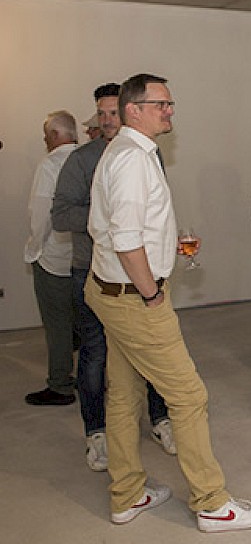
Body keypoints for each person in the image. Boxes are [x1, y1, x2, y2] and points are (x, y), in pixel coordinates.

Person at [85, 73, 251, 532]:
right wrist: (152, 293)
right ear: (135, 109)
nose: (170, 111)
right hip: (133, 297)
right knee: (189, 396)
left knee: (125, 394)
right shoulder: (132, 160)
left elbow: (131, 231)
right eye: (162, 104)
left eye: (170, 103)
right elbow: (128, 243)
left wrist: (166, 245)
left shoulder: (129, 152)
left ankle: (127, 494)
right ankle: (212, 502)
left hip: (111, 291)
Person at [52, 83, 176, 473]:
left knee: (134, 374)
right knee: (95, 358)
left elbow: (145, 218)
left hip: (133, 276)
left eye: (112, 113)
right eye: (102, 114)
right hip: (99, 275)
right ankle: (97, 434)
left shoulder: (142, 153)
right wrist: (105, 214)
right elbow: (62, 217)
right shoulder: (92, 160)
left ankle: (157, 423)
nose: (108, 120)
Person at [24, 110, 79, 406]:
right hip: (83, 258)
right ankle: (92, 379)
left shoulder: (50, 164)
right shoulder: (87, 159)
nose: (45, 140)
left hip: (54, 258)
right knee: (86, 322)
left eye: (47, 135)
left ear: (57, 135)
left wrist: (34, 249)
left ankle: (60, 385)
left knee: (57, 325)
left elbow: (41, 215)